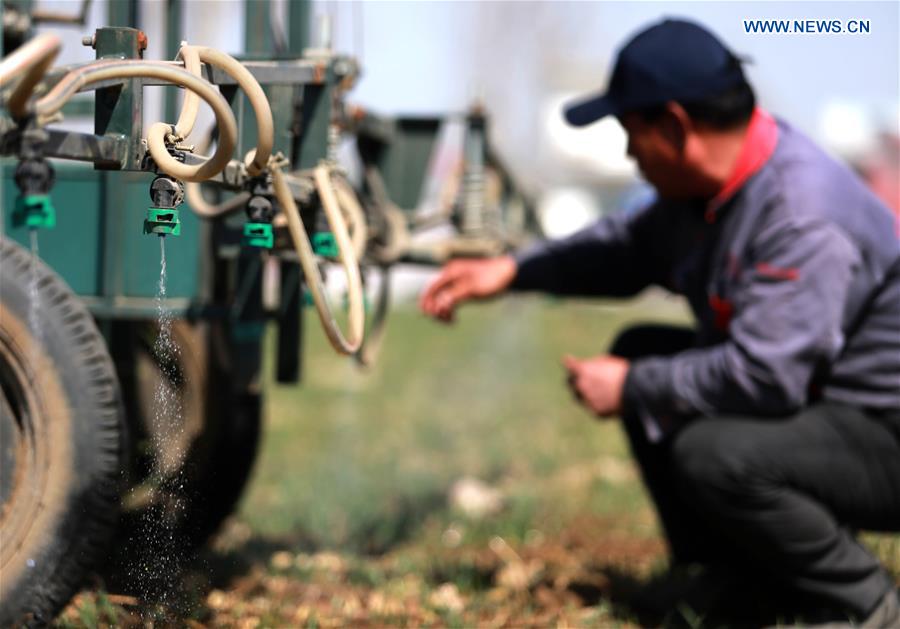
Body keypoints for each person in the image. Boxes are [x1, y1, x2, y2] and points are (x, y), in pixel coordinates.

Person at [420, 18, 900, 626]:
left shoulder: (801, 216)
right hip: (828, 412)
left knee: (712, 450)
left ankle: (859, 600)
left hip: (884, 433)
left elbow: (766, 378)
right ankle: (733, 580)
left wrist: (630, 386)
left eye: (630, 132)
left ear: (674, 126)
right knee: (645, 347)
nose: (628, 153)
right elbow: (625, 248)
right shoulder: (709, 193)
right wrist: (512, 272)